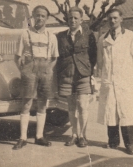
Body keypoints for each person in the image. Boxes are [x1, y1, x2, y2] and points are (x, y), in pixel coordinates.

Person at [13, 5, 59, 150]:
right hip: (29, 70)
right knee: (26, 103)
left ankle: (39, 136)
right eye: (37, 15)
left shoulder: (51, 36)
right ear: (32, 16)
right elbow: (17, 57)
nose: (40, 18)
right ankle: (22, 138)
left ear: (47, 18)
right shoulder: (25, 34)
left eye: (43, 16)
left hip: (45, 71)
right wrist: (23, 70)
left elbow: (54, 57)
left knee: (42, 103)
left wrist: (49, 70)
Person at [97, 9, 133, 155]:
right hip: (109, 81)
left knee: (126, 112)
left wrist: (125, 72)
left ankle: (129, 144)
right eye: (110, 19)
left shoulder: (130, 36)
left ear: (122, 19)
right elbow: (100, 61)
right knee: (111, 112)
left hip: (125, 81)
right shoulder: (103, 38)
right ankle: (113, 142)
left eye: (116, 18)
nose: (113, 21)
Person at [56, 6, 97, 147]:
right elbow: (59, 57)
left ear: (81, 20)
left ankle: (83, 136)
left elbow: (93, 57)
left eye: (75, 18)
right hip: (67, 75)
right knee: (71, 106)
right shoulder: (60, 36)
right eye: (70, 18)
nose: (72, 20)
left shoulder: (89, 35)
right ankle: (74, 134)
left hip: (83, 75)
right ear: (67, 20)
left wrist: (89, 71)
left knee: (83, 106)